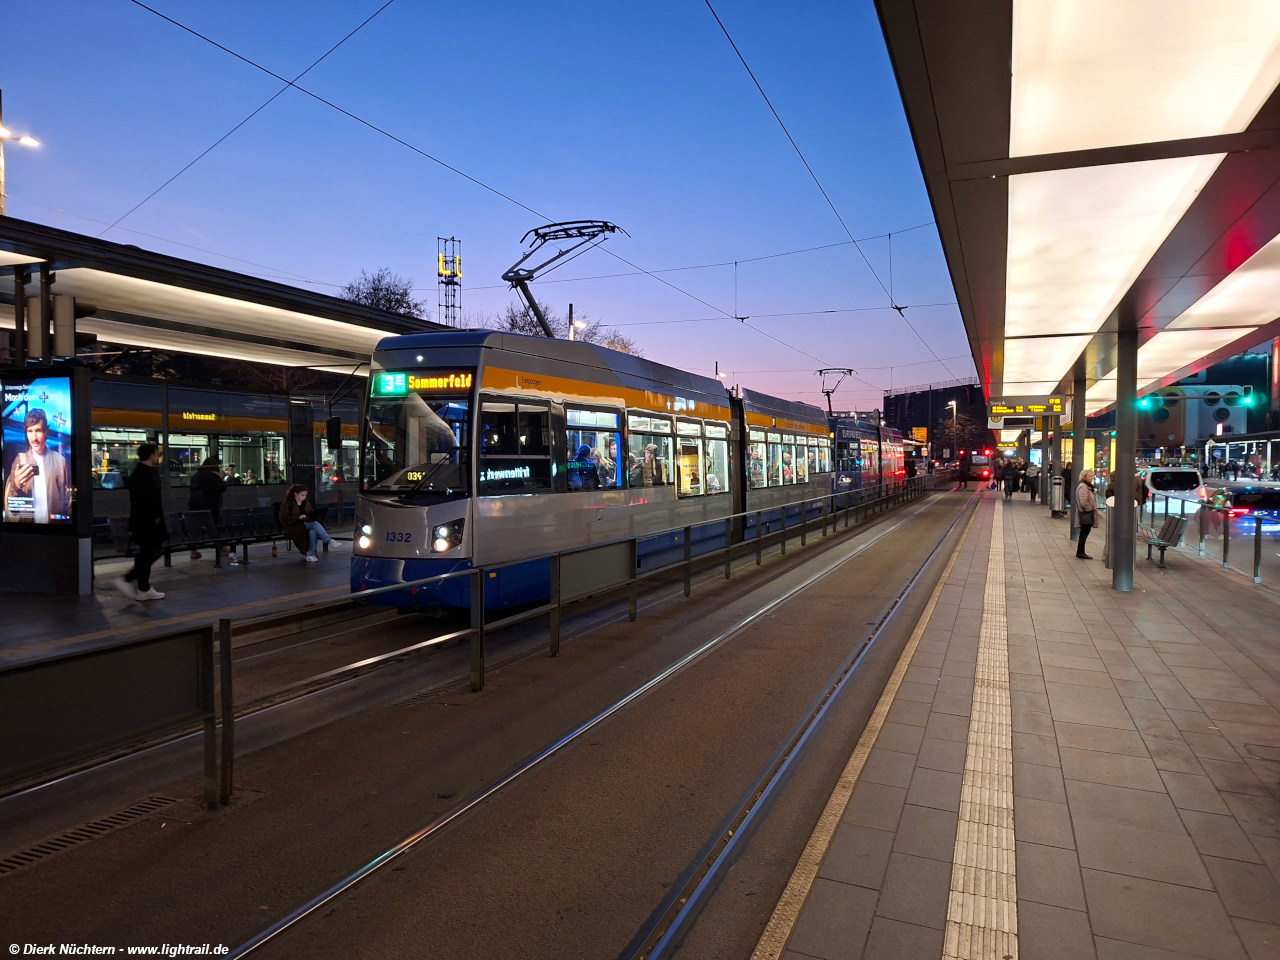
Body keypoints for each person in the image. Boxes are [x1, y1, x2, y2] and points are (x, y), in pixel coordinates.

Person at [113, 443, 167, 600]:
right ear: (151, 455)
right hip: (146, 521)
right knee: (153, 551)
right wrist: (155, 519)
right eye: (157, 454)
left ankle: (143, 589)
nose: (158, 457)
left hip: (146, 520)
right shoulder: (144, 474)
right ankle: (127, 579)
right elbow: (147, 500)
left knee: (146, 553)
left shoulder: (142, 472)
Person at [3, 408, 73, 523]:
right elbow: (12, 509)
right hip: (28, 532)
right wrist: (16, 487)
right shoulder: (20, 460)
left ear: (45, 433)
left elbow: (68, 502)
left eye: (38, 430)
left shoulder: (60, 461)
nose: (34, 438)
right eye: (30, 431)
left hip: (55, 531)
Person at [279, 483, 333, 562]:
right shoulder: (287, 503)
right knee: (314, 524)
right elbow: (284, 518)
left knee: (313, 531)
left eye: (305, 495)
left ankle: (310, 554)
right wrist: (298, 518)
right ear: (295, 494)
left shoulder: (305, 503)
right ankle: (328, 540)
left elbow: (309, 512)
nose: (304, 497)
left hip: (303, 524)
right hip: (293, 525)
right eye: (302, 495)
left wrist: (312, 514)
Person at [187, 456, 227, 560]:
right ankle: (220, 547)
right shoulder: (213, 476)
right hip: (210, 505)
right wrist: (221, 478)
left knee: (196, 528)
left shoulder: (195, 475)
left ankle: (193, 550)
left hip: (195, 505)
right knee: (215, 526)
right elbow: (221, 488)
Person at [1075, 469, 1097, 560]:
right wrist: (1089, 509)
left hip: (1086, 512)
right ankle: (1080, 552)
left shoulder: (1088, 486)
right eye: (1090, 476)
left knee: (1085, 532)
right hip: (1085, 513)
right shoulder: (1083, 487)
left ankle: (1081, 551)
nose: (1092, 478)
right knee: (1084, 532)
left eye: (1093, 476)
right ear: (1084, 476)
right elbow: (1083, 501)